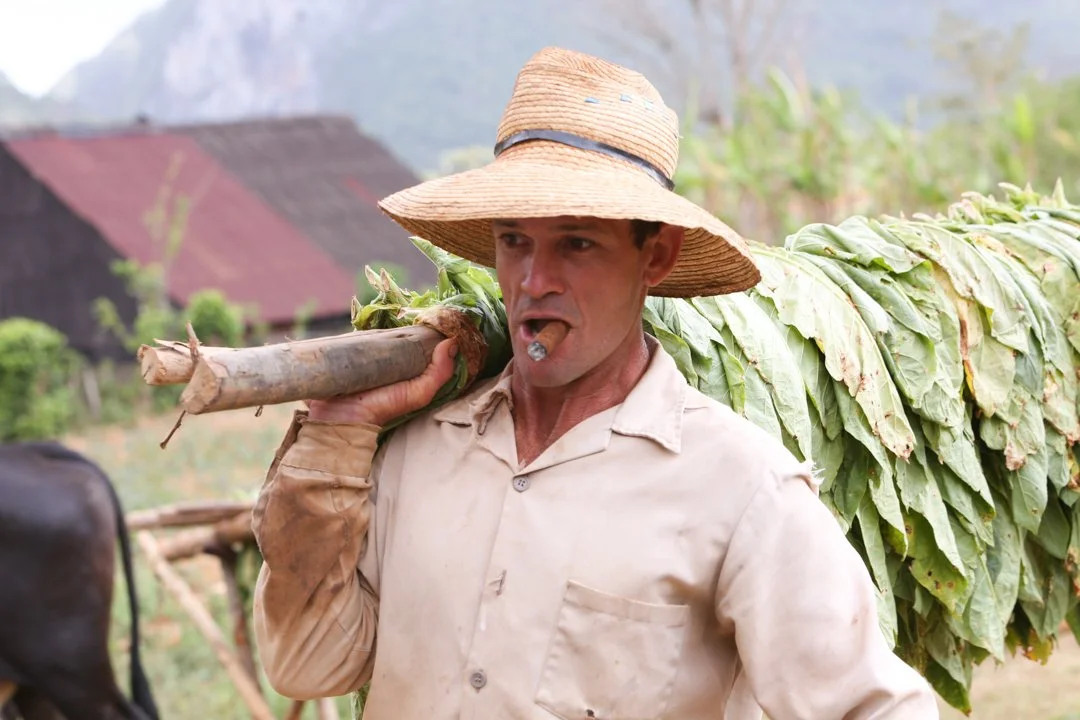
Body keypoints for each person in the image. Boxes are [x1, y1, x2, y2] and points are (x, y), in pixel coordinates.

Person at [249, 46, 939, 719]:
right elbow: (306, 664)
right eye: (515, 241)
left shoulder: (737, 488)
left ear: (656, 256)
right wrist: (336, 434)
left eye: (577, 244)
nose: (533, 281)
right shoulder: (415, 455)